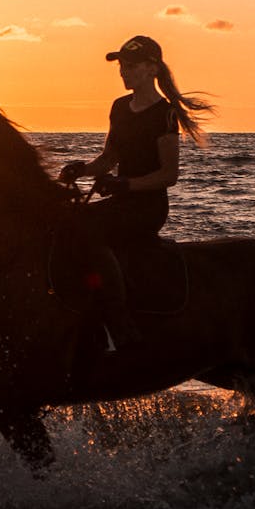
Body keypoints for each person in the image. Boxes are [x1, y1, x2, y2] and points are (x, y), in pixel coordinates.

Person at [58, 35, 213, 350]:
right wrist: (82, 169)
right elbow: (108, 159)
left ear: (151, 68)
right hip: (122, 199)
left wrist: (125, 184)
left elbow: (169, 174)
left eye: (130, 66)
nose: (123, 72)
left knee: (89, 232)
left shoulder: (164, 114)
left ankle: (119, 322)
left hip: (147, 207)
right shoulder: (119, 107)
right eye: (121, 66)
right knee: (66, 222)